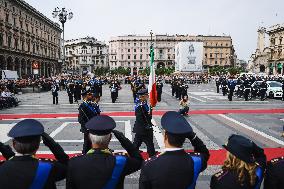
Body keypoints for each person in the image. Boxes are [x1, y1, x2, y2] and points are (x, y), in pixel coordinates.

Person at [66, 115, 143, 189]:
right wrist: (123, 139)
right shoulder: (120, 162)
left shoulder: (74, 163)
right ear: (110, 138)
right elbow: (138, 160)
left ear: (89, 137)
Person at [139, 111, 210, 189]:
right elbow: (205, 153)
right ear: (184, 138)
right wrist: (192, 136)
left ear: (165, 136)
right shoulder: (196, 161)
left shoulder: (149, 164)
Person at [0, 119, 69, 189]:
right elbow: (67, 167)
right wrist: (52, 144)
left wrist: (3, 148)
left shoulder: (3, 167)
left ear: (14, 144)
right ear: (38, 145)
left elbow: (17, 163)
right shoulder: (48, 167)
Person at [133, 89, 156, 157]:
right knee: (149, 143)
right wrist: (147, 125)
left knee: (137, 142)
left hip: (140, 128)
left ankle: (133, 152)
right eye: (146, 95)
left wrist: (150, 109)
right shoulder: (141, 106)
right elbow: (141, 118)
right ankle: (152, 155)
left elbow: (146, 116)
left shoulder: (142, 103)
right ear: (142, 96)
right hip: (144, 129)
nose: (148, 96)